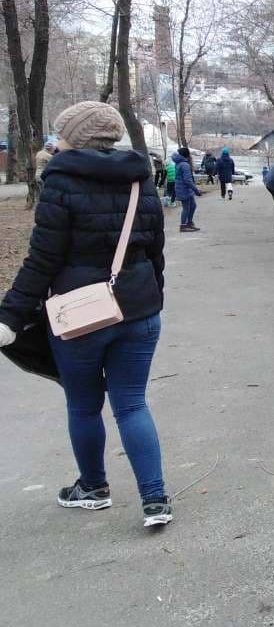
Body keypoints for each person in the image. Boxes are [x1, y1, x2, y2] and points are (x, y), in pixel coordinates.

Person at [0, 102, 172, 528]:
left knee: (83, 405)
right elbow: (154, 251)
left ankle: (93, 488)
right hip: (139, 310)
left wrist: (10, 316)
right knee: (132, 404)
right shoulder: (139, 179)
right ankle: (156, 501)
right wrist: (152, 299)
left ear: (73, 137)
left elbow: (42, 260)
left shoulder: (60, 183)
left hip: (79, 317)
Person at [172, 147, 204, 233]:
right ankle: (183, 226)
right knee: (186, 208)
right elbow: (188, 180)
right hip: (183, 189)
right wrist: (196, 191)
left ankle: (189, 223)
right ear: (187, 155)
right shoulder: (184, 165)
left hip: (185, 189)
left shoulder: (181, 163)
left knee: (193, 206)